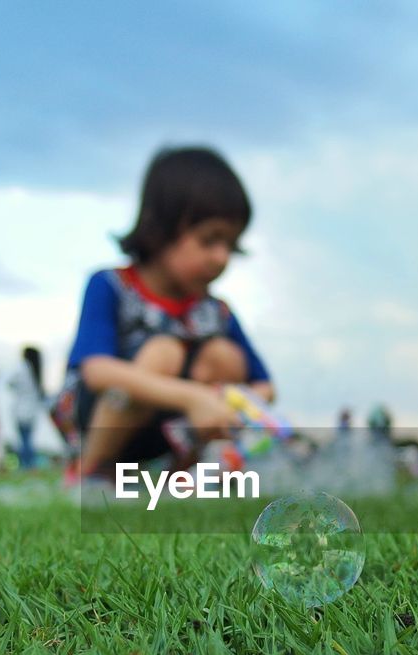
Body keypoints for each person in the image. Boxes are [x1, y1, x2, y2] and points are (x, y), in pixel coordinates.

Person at [56, 146, 274, 476]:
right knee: (163, 352)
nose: (221, 258)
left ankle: (180, 477)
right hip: (102, 421)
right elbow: (96, 371)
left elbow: (265, 386)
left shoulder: (216, 311)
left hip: (172, 431)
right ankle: (88, 475)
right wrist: (191, 397)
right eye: (209, 240)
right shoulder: (111, 285)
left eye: (231, 245)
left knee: (224, 357)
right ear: (161, 229)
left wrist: (226, 402)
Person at [7, 346, 46, 470]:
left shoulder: (22, 367)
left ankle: (25, 465)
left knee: (24, 440)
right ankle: (30, 464)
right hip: (32, 411)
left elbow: (9, 382)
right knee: (29, 439)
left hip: (21, 410)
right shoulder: (36, 370)